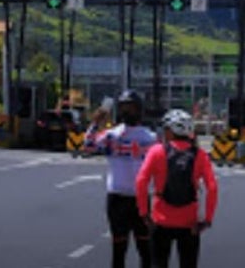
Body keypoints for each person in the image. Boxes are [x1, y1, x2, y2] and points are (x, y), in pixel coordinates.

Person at [136, 109, 218, 268]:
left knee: (158, 263)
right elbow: (212, 188)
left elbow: (141, 181)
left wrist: (144, 212)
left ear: (171, 131)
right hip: (189, 223)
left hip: (160, 220)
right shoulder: (200, 155)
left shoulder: (156, 151)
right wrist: (207, 220)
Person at [84, 90, 157, 268]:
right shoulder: (112, 135)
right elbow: (88, 146)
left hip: (142, 199)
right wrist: (95, 123)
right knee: (119, 250)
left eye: (131, 108)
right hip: (117, 198)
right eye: (124, 107)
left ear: (139, 110)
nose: (127, 112)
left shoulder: (151, 138)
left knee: (146, 250)